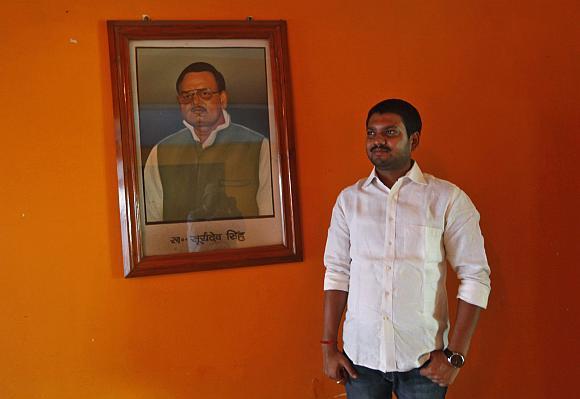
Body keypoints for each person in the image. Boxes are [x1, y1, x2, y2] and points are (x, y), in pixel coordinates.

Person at [321, 99, 491, 398]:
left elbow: (475, 277)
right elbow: (337, 273)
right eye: (371, 133)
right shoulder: (349, 201)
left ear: (414, 140)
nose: (378, 141)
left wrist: (456, 355)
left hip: (424, 361)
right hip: (360, 360)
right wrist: (328, 346)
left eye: (390, 132)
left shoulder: (447, 199)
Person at [144, 62, 273, 223]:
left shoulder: (260, 146)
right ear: (179, 103)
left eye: (205, 93)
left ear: (223, 99)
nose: (196, 102)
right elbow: (152, 224)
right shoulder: (160, 152)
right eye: (187, 96)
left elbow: (271, 223)